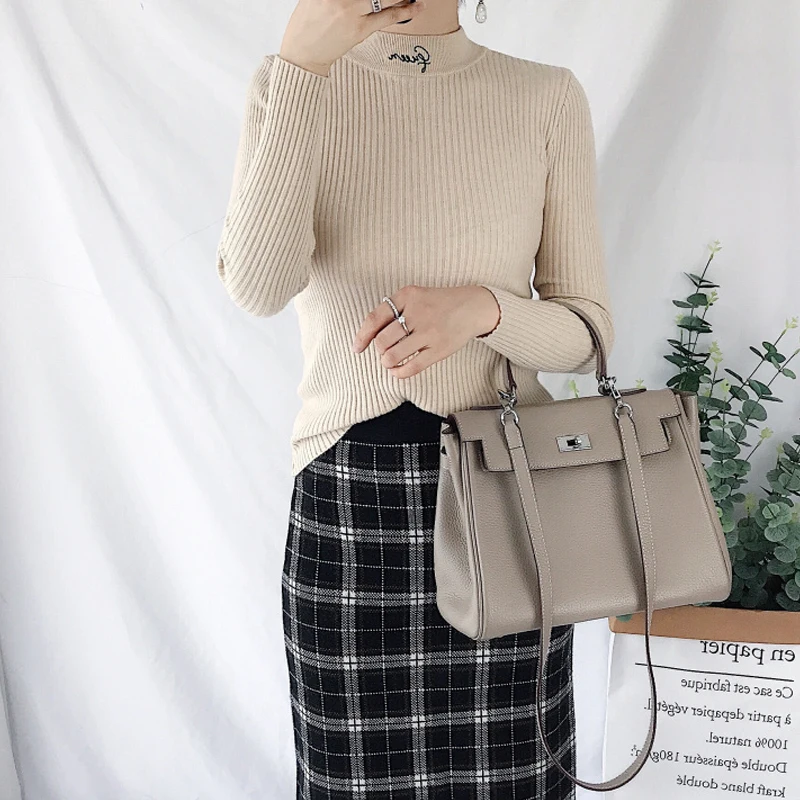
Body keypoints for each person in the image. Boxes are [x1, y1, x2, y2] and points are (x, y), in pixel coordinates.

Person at [216, 0, 615, 796]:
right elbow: (258, 287)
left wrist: (484, 311)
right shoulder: (289, 84)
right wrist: (301, 68)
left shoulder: (545, 97)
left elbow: (587, 335)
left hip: (506, 507)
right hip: (346, 508)